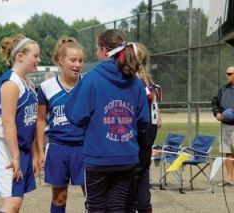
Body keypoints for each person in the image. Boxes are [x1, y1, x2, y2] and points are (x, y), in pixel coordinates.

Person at [65, 29, 150, 212]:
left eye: (97, 48)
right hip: (127, 156)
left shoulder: (92, 79)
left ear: (104, 49)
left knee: (96, 207)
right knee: (118, 206)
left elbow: (75, 115)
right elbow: (144, 120)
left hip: (98, 158)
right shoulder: (135, 82)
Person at [0, 33, 40, 213]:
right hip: (7, 148)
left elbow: (31, 123)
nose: (38, 59)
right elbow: (8, 122)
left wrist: (33, 155)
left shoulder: (29, 84)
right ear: (20, 56)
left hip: (21, 149)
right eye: (35, 56)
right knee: (11, 204)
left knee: (16, 203)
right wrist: (15, 156)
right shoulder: (10, 83)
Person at [36, 36, 85, 213]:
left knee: (92, 197)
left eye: (80, 61)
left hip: (84, 147)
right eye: (73, 60)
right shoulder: (46, 87)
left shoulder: (87, 83)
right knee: (59, 198)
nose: (77, 64)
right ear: (60, 60)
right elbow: (41, 120)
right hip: (58, 148)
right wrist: (40, 152)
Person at [133, 43, 162, 213]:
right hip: (146, 141)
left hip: (138, 140)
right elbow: (158, 121)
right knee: (142, 185)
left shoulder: (137, 84)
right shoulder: (150, 84)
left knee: (132, 189)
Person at [212, 66, 234, 187]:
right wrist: (217, 113)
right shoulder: (222, 89)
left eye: (229, 74)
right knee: (228, 152)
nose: (227, 75)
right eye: (226, 73)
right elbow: (215, 102)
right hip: (225, 126)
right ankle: (229, 179)